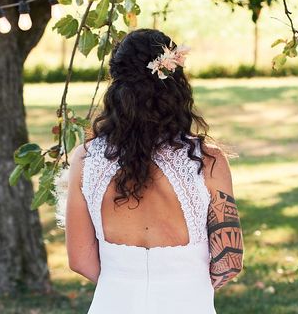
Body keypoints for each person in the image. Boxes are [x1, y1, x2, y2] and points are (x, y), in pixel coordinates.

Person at [64, 28, 243, 314]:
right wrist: (185, 284)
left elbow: (80, 259)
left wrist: (124, 281)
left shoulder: (85, 159)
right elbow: (229, 260)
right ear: (175, 84)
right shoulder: (208, 159)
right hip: (186, 302)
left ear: (117, 86)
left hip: (114, 302)